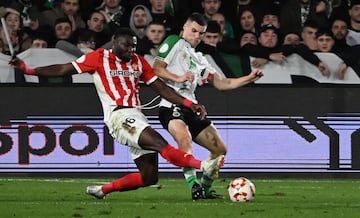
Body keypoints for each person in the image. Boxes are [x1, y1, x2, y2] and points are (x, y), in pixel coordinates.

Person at [9, 27, 224, 200]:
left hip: (137, 116)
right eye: (127, 45)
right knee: (160, 143)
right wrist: (29, 70)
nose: (131, 49)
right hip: (118, 117)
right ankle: (202, 165)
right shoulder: (97, 58)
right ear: (115, 42)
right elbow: (62, 69)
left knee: (149, 177)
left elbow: (162, 89)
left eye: (134, 46)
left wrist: (188, 103)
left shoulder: (138, 61)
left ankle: (103, 190)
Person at [153, 13, 263, 200]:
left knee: (220, 150)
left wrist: (249, 78)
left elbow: (223, 84)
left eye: (201, 33)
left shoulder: (200, 60)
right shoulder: (174, 42)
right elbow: (157, 68)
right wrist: (178, 78)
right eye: (193, 30)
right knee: (184, 138)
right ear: (185, 28)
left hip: (191, 107)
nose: (196, 35)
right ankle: (193, 185)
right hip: (171, 104)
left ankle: (204, 189)